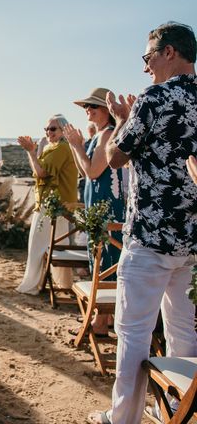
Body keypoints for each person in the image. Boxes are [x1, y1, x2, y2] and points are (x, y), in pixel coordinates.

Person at [88, 21, 197, 424]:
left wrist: (122, 119)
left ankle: (123, 418)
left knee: (133, 332)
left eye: (148, 56)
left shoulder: (155, 96)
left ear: (169, 52)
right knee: (183, 330)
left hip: (151, 235)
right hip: (192, 241)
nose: (145, 67)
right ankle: (178, 410)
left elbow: (116, 158)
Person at [63, 88, 126, 336]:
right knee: (100, 258)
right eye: (86, 107)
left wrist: (77, 145)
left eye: (92, 106)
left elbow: (92, 172)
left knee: (104, 259)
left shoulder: (107, 135)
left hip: (105, 206)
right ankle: (105, 319)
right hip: (97, 203)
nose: (87, 110)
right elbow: (83, 172)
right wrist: (75, 146)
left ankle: (100, 323)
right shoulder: (100, 135)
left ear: (106, 112)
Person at [16, 114, 78, 295]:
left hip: (53, 206)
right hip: (57, 205)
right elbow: (38, 170)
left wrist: (31, 151)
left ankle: (33, 284)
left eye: (53, 129)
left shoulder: (61, 148)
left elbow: (41, 173)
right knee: (59, 244)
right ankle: (61, 283)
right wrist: (34, 151)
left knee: (37, 245)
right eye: (46, 129)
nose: (48, 132)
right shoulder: (55, 147)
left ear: (63, 130)